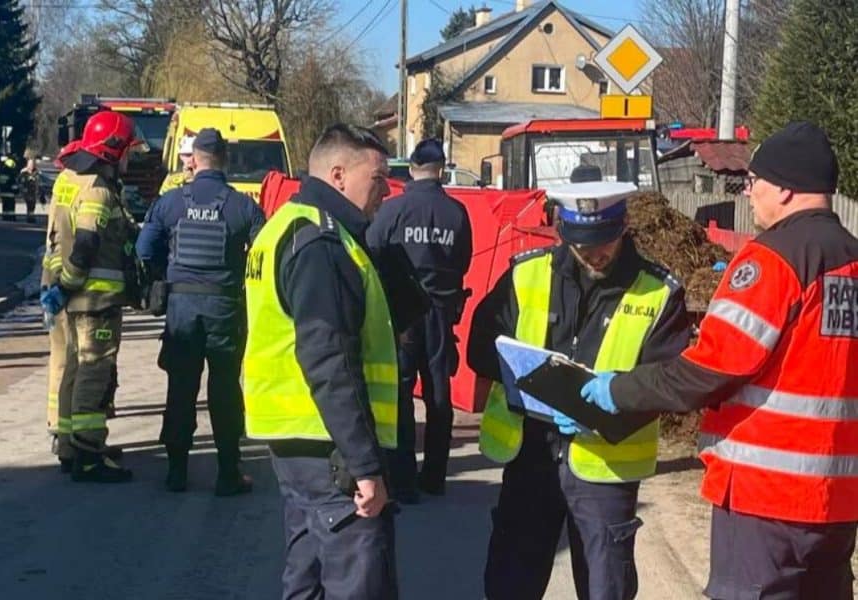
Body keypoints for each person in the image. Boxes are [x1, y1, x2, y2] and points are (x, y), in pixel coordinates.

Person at [581, 121, 858, 600]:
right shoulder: (851, 259)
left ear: (786, 189)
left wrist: (618, 390)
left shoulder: (772, 260)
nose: (749, 195)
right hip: (837, 501)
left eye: (754, 183)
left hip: (764, 499)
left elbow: (709, 370)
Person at [466, 181, 691, 600]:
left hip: (605, 466)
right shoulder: (524, 273)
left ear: (624, 228)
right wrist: (526, 375)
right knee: (510, 582)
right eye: (582, 245)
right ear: (561, 233)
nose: (595, 254)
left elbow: (671, 378)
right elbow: (480, 347)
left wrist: (613, 401)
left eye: (605, 241)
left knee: (606, 587)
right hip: (531, 455)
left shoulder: (658, 291)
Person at [243, 124, 399, 598]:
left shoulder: (285, 226)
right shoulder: (321, 242)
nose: (386, 191)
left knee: (306, 573)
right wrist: (366, 465)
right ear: (338, 175)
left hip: (297, 439)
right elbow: (329, 359)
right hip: (328, 443)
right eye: (377, 179)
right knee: (356, 580)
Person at [137, 128, 264, 495]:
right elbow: (264, 252)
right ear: (224, 158)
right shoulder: (242, 205)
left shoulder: (171, 202)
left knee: (180, 387)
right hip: (224, 307)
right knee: (224, 389)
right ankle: (228, 473)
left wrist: (168, 273)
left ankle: (176, 471)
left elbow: (145, 249)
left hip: (182, 308)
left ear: (194, 159)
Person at [366, 138, 472, 502]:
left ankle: (404, 478)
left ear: (411, 168)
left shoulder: (393, 210)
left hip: (402, 316)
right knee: (437, 393)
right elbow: (463, 261)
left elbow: (372, 251)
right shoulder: (457, 213)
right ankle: (435, 476)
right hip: (441, 313)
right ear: (441, 170)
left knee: (400, 393)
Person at [39, 111, 140, 483]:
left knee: (69, 369)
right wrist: (69, 283)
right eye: (127, 149)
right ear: (112, 150)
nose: (130, 158)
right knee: (93, 373)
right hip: (92, 301)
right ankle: (88, 452)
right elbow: (85, 244)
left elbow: (54, 236)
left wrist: (54, 286)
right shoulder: (97, 188)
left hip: (64, 296)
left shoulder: (67, 178)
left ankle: (68, 444)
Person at [19, 155, 40, 223]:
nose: (31, 166)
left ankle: (31, 216)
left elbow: (39, 181)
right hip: (27, 191)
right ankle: (30, 217)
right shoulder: (24, 172)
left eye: (32, 164)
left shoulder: (36, 172)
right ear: (27, 164)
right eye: (30, 164)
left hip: (33, 191)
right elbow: (20, 181)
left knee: (33, 205)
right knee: (29, 204)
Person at [0, 155, 19, 221]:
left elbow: (0, 183)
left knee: (5, 206)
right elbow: (14, 185)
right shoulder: (12, 175)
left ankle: (5, 217)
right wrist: (17, 191)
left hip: (3, 193)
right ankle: (11, 218)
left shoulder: (2, 173)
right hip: (10, 194)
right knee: (11, 206)